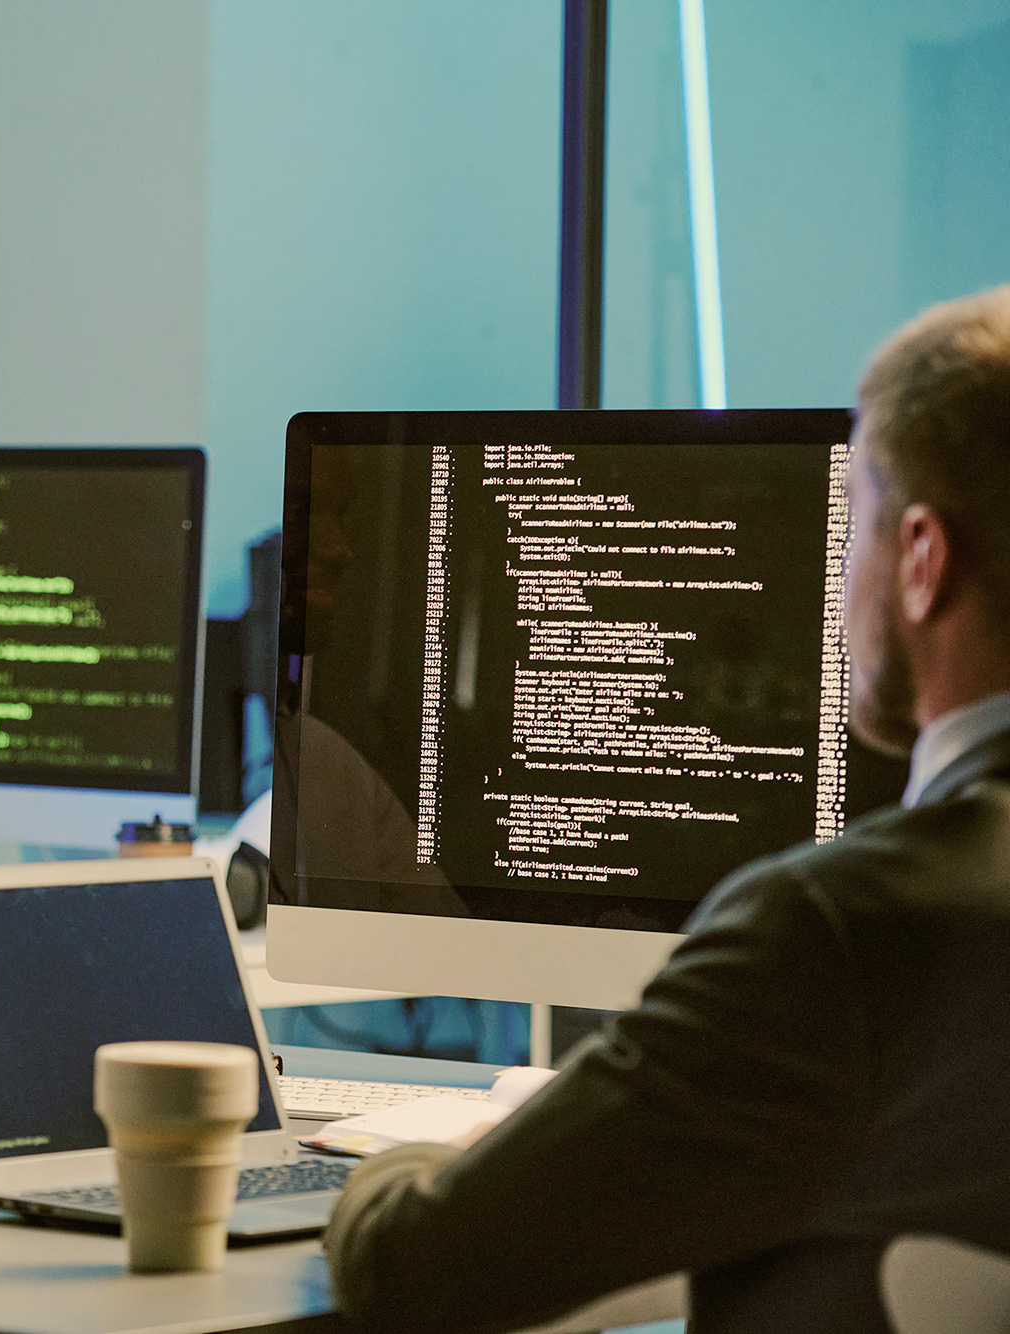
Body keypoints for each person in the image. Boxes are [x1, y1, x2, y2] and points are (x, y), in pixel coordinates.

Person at [320, 284, 1010, 1333]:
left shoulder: (840, 932)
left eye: (851, 524)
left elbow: (412, 1271)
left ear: (919, 558)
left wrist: (433, 1152)